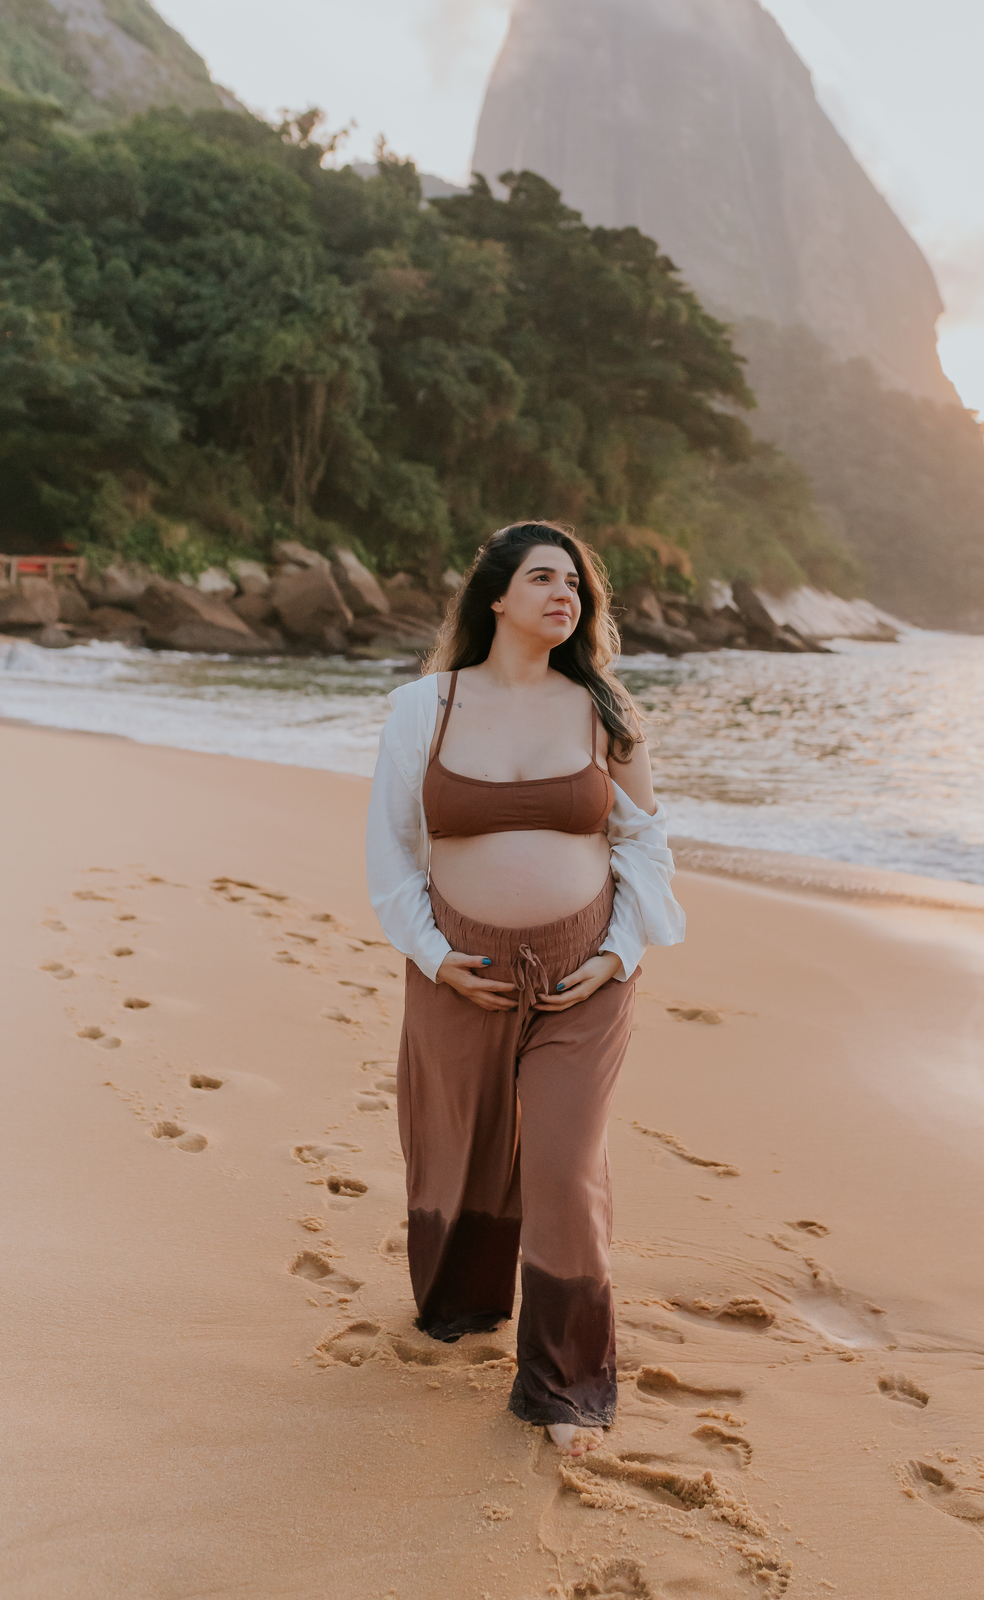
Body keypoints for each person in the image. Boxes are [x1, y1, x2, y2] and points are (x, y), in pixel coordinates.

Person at [366, 520, 686, 1457]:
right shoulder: (425, 706)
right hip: (459, 964)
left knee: (560, 1159)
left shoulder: (606, 711)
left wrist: (619, 954)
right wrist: (432, 954)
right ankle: (464, 1302)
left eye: (578, 585)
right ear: (495, 598)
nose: (567, 595)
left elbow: (646, 846)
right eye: (544, 578)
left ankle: (566, 1386)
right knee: (457, 1149)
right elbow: (392, 848)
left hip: (584, 970)